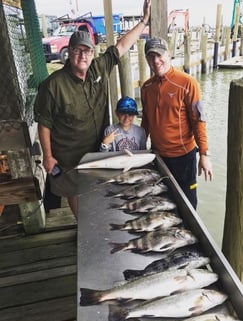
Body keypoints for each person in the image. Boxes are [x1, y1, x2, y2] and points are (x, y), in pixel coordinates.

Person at [34, 0, 151, 219]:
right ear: (69, 52)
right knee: (74, 191)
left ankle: (102, 218)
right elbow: (44, 124)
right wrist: (48, 157)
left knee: (100, 185)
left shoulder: (99, 66)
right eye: (77, 51)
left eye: (87, 51)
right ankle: (82, 224)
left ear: (92, 52)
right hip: (69, 154)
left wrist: (144, 21)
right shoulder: (53, 85)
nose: (83, 56)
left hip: (99, 146)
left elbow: (122, 46)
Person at [141, 37, 213, 209]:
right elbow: (146, 121)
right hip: (158, 156)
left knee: (187, 204)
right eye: (151, 57)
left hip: (183, 157)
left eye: (159, 55)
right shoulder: (146, 88)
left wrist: (204, 154)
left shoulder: (188, 83)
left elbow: (199, 120)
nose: (156, 61)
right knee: (162, 202)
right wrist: (140, 149)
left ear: (169, 54)